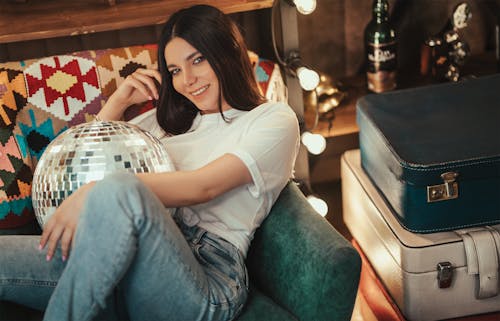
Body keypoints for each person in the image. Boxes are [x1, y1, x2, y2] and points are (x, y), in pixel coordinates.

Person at [0, 4, 299, 321]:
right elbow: (79, 158)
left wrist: (95, 192)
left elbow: (203, 186)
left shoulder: (272, 119)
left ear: (227, 52)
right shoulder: (167, 122)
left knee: (125, 190)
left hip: (205, 277)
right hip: (120, 255)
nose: (188, 80)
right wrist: (119, 102)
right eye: (175, 71)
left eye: (197, 59)